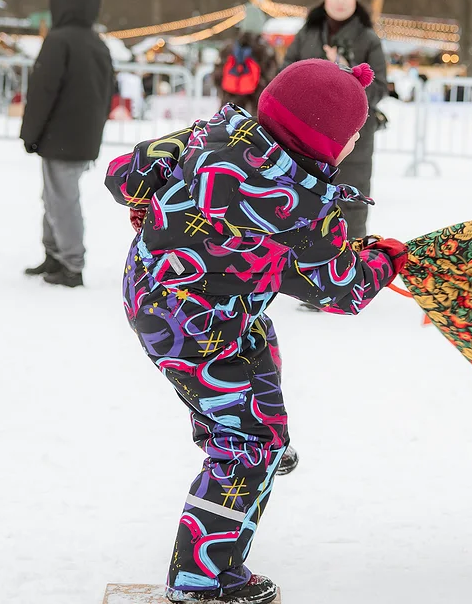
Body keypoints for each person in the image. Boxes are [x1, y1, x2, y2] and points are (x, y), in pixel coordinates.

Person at [104, 60, 407, 604]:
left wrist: (151, 199)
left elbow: (122, 173)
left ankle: (262, 433)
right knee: (245, 448)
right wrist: (385, 257)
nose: (354, 144)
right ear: (324, 140)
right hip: (196, 328)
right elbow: (345, 291)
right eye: (352, 136)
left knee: (257, 339)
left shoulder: (212, 132)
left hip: (152, 288)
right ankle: (201, 577)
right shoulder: (307, 204)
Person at [21, 0, 114, 288]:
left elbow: (43, 91)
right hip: (81, 136)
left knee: (62, 200)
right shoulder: (98, 43)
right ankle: (55, 253)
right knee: (54, 197)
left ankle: (71, 263)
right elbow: (107, 94)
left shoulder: (59, 40)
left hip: (59, 137)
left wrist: (30, 133)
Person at [284, 0, 387, 239]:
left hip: (354, 138)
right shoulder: (306, 35)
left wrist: (344, 76)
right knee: (303, 198)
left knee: (350, 201)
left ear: (355, 0)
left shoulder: (368, 38)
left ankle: (350, 263)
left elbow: (379, 86)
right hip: (304, 134)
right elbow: (285, 75)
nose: (340, 0)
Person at [217, 4, 279, 115]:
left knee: (228, 127)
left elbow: (217, 76)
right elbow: (273, 78)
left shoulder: (229, 48)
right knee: (252, 130)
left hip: (229, 103)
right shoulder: (265, 49)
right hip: (255, 103)